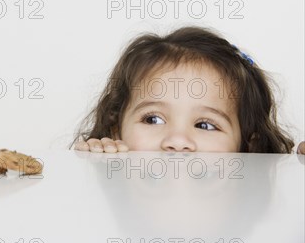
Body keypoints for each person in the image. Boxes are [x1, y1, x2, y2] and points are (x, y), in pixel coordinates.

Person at [72, 26, 305, 154]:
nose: (177, 141)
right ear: (116, 131)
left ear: (247, 146)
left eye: (205, 125)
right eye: (152, 119)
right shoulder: (108, 168)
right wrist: (97, 166)